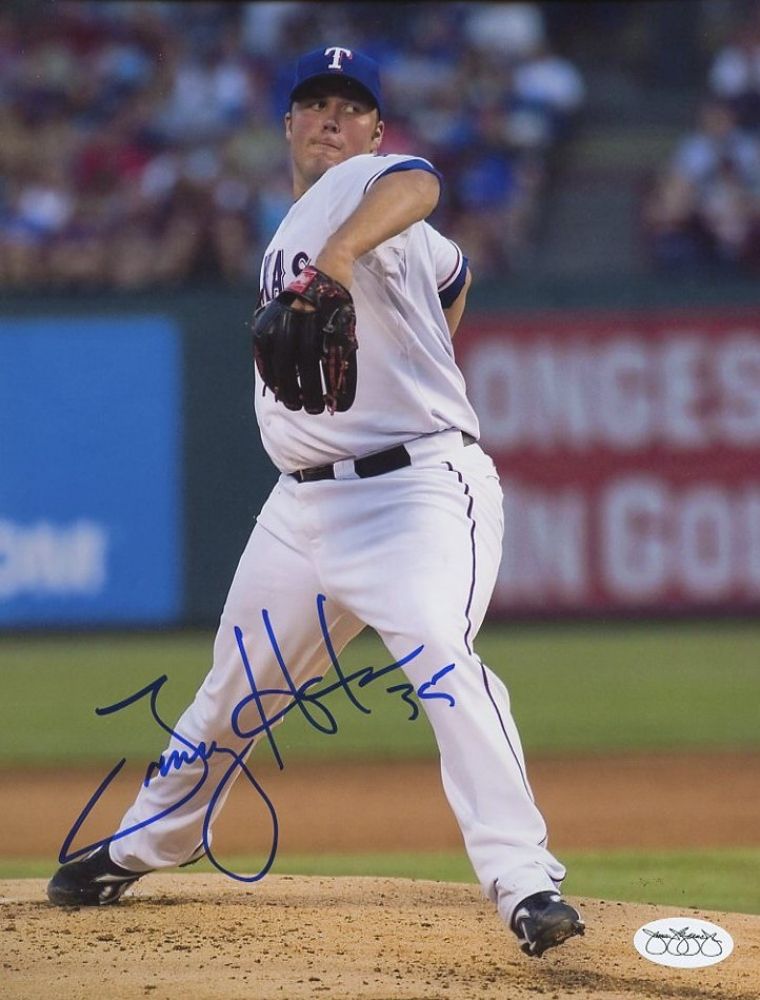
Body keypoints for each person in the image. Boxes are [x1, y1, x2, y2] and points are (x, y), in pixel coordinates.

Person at [47, 45, 584, 960]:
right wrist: (407, 327)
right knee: (232, 688)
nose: (332, 118)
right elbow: (453, 277)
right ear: (287, 124)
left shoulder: (362, 190)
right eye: (314, 103)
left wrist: (342, 264)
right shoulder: (297, 226)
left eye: (351, 106)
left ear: (375, 131)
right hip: (300, 510)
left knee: (439, 656)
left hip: (415, 492)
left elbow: (421, 184)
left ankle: (525, 881)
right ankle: (143, 844)